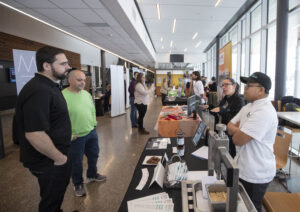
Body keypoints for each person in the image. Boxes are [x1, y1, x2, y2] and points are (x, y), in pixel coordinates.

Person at [15, 46, 72, 212]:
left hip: (52, 157)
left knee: (54, 196)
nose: (68, 67)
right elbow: (34, 134)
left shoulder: (49, 86)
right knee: (50, 202)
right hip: (48, 161)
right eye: (63, 64)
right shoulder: (39, 90)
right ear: (47, 66)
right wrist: (60, 158)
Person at [227, 72, 278, 212]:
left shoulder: (264, 111)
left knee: (251, 207)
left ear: (261, 90)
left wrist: (240, 132)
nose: (244, 89)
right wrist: (242, 131)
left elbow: (238, 140)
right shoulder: (247, 107)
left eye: (249, 86)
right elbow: (229, 126)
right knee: (241, 205)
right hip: (243, 165)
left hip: (256, 171)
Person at [62, 70, 106, 197]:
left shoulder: (86, 94)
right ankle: (78, 183)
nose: (83, 83)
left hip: (91, 132)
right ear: (70, 80)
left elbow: (92, 109)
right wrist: (68, 135)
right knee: (76, 162)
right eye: (79, 80)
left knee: (94, 155)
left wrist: (94, 124)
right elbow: (59, 120)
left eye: (84, 80)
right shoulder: (62, 96)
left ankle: (92, 174)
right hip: (76, 137)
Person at [210, 78, 244, 157]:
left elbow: (235, 122)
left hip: (230, 136)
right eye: (222, 85)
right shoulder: (225, 99)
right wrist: (210, 108)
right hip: (220, 132)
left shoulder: (239, 101)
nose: (224, 87)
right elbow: (219, 111)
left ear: (234, 86)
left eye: (226, 85)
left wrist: (222, 110)